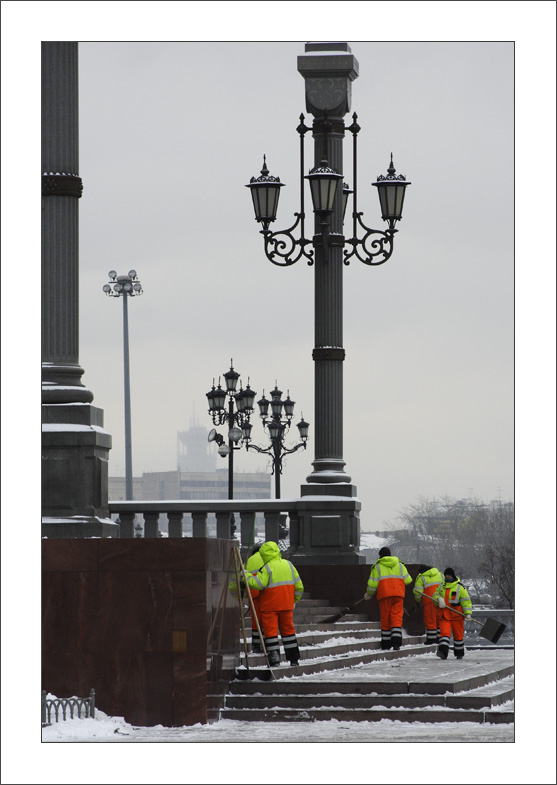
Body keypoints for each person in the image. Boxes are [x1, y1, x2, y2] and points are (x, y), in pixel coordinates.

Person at [245, 541, 304, 666]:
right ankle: (294, 659)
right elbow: (299, 587)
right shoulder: (289, 565)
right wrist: (293, 601)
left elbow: (258, 584)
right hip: (286, 606)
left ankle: (274, 659)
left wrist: (247, 576)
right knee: (289, 632)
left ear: (264, 555)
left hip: (269, 607)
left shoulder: (267, 567)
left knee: (271, 633)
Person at [364, 546, 412, 651]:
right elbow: (408, 580)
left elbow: (372, 584)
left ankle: (386, 644)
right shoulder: (399, 564)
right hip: (398, 595)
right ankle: (396, 643)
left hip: (384, 595)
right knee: (396, 618)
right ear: (390, 554)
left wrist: (369, 594)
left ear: (380, 556)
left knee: (386, 618)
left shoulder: (377, 566)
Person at [229, 543, 265, 653]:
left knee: (256, 621)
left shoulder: (248, 562)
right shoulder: (266, 559)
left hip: (253, 594)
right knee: (267, 621)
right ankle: (266, 645)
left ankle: (256, 646)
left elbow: (237, 582)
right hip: (266, 594)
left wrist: (240, 595)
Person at [432, 567, 473, 659]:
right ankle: (442, 652)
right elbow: (434, 596)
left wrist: (467, 613)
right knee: (444, 634)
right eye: (446, 575)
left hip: (457, 616)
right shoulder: (440, 586)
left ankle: (459, 653)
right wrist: (438, 599)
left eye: (449, 575)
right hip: (444, 615)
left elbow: (466, 601)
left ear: (453, 576)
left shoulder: (460, 587)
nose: (447, 577)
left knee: (458, 636)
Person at [413, 564, 444, 645]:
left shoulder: (421, 577)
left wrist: (418, 601)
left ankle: (431, 639)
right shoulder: (440, 574)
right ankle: (439, 639)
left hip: (429, 601)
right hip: (440, 601)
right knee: (439, 620)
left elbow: (418, 593)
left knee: (430, 621)